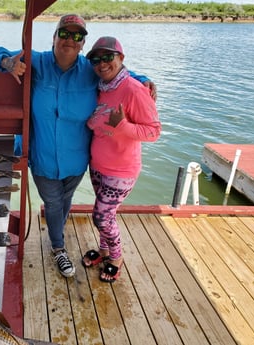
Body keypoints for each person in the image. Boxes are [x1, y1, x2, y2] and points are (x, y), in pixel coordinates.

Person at [0, 14, 156, 278]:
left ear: (82, 44)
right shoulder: (37, 61)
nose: (69, 39)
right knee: (53, 204)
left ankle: (58, 231)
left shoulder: (90, 71)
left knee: (65, 201)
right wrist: (7, 63)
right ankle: (58, 247)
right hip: (42, 158)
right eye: (64, 33)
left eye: (77, 36)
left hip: (78, 160)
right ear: (54, 37)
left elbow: (121, 74)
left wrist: (144, 79)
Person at [81, 36, 161, 282]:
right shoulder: (100, 87)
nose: (102, 63)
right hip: (98, 166)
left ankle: (115, 257)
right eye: (96, 59)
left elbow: (153, 131)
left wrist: (124, 126)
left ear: (121, 58)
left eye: (108, 57)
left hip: (122, 170)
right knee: (107, 215)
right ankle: (103, 251)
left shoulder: (134, 90)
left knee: (101, 216)